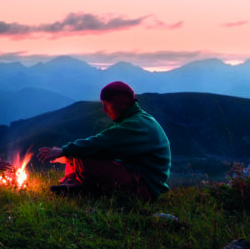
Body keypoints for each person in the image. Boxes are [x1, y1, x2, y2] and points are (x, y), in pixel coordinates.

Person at [37, 81, 171, 200]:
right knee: (77, 156)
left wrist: (63, 151)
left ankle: (80, 188)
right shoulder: (133, 119)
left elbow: (100, 143)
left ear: (121, 104)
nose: (104, 110)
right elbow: (108, 151)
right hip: (137, 176)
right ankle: (74, 185)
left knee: (82, 156)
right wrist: (69, 157)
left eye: (107, 105)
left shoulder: (137, 124)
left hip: (144, 187)